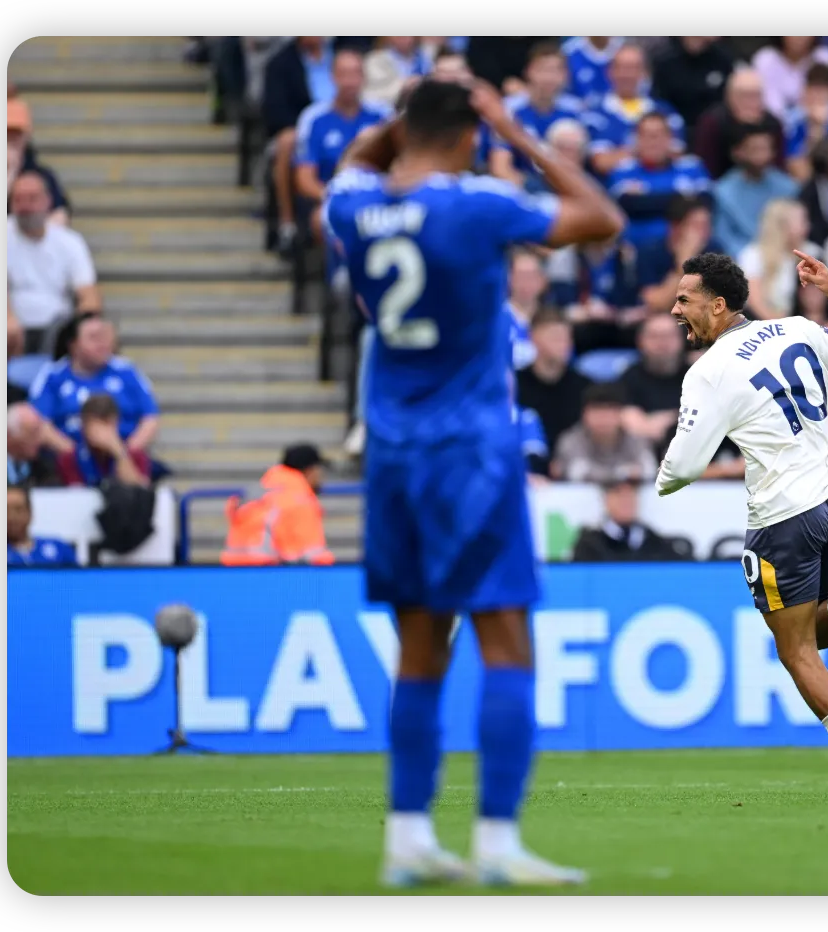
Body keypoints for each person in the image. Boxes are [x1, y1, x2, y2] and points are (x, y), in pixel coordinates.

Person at [322, 78, 622, 887]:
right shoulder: (478, 204)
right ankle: (496, 842)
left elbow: (356, 160)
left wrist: (414, 122)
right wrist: (513, 128)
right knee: (505, 640)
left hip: (392, 454)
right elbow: (600, 218)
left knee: (420, 647)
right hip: (472, 454)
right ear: (467, 135)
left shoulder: (351, 205)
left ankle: (407, 836)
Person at [655, 249, 828, 798]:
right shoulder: (795, 328)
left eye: (684, 300)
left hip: (785, 517)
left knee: (794, 653)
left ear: (718, 306)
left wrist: (658, 482)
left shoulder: (709, 373)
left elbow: (687, 464)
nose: (674, 310)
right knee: (812, 639)